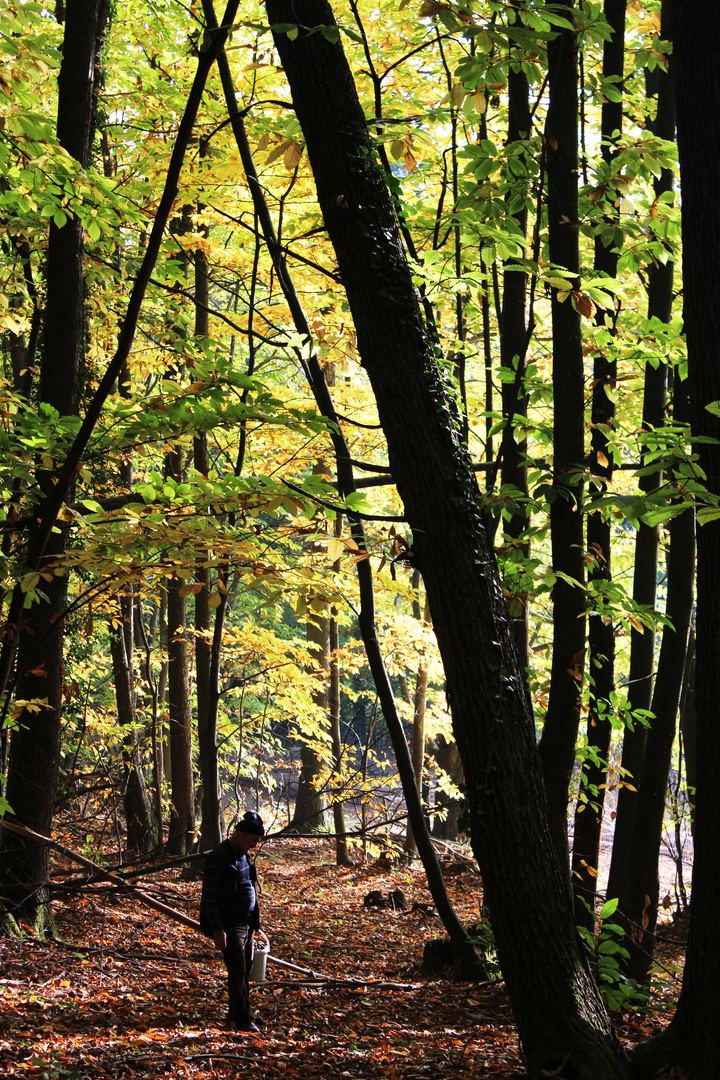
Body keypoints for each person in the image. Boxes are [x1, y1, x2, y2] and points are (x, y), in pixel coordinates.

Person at [200, 811, 265, 1032]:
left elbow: (249, 886)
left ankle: (238, 1010)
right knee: (237, 968)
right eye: (254, 841)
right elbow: (209, 897)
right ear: (243, 835)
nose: (255, 846)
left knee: (246, 967)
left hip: (246, 922)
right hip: (229, 923)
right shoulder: (218, 858)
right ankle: (243, 1019)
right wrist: (218, 929)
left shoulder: (243, 855)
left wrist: (255, 925)